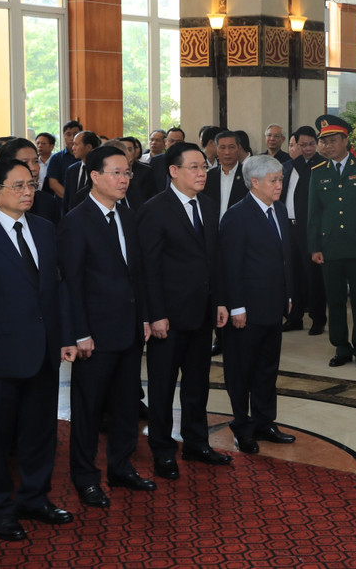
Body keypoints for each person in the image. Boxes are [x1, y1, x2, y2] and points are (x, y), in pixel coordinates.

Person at [0, 159, 78, 541]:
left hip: (43, 351)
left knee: (40, 433)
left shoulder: (43, 228)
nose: (28, 192)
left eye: (32, 185)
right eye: (18, 185)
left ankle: (34, 498)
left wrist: (66, 336)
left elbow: (58, 288)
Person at [59, 145, 156, 508]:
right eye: (116, 172)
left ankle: (121, 466)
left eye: (128, 172)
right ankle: (85, 477)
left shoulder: (128, 217)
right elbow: (71, 282)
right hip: (95, 336)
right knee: (88, 410)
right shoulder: (76, 220)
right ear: (95, 177)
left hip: (129, 330)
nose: (124, 179)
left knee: (126, 404)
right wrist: (79, 332)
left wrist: (144, 317)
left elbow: (138, 274)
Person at [138, 142, 231, 478]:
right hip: (169, 316)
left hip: (202, 311)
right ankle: (162, 449)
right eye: (193, 167)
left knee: (197, 383)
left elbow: (214, 259)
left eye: (204, 167)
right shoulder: (155, 209)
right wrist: (155, 313)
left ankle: (196, 442)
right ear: (173, 171)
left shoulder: (207, 205)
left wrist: (220, 301)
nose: (201, 173)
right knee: (163, 386)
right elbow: (149, 267)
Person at [219, 154, 295, 454]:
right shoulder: (237, 216)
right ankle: (243, 426)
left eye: (280, 179)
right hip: (246, 309)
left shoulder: (278, 209)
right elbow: (230, 266)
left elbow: (284, 257)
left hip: (273, 305)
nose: (279, 185)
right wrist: (236, 306)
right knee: (241, 371)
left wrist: (288, 295)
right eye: (273, 180)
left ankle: (265, 421)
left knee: (267, 368)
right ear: (254, 182)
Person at [308, 115, 356, 368]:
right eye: (323, 142)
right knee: (335, 300)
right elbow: (313, 212)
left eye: (332, 140)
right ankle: (341, 347)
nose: (327, 146)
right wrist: (314, 246)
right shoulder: (318, 173)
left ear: (345, 141)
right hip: (330, 248)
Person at [203, 130, 248, 356]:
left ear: (238, 149)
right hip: (213, 241)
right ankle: (219, 336)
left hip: (240, 242)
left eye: (232, 147)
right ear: (216, 149)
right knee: (217, 289)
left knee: (238, 286)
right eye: (223, 147)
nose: (228, 152)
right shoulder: (208, 177)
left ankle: (239, 333)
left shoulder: (248, 177)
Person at [281, 125, 327, 335]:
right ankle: (295, 316)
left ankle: (318, 318)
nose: (307, 149)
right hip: (289, 227)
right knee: (293, 274)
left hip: (311, 229)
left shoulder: (323, 166)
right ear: (295, 145)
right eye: (302, 145)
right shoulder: (288, 167)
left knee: (313, 275)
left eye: (311, 144)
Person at [62, 130, 101, 214]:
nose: (73, 148)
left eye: (76, 144)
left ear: (88, 147)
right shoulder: (71, 169)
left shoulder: (100, 170)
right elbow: (66, 201)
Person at [46, 120, 83, 199]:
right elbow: (53, 183)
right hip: (62, 204)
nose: (72, 138)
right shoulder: (56, 158)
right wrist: (71, 199)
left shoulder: (86, 157)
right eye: (68, 134)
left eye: (76, 134)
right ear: (64, 136)